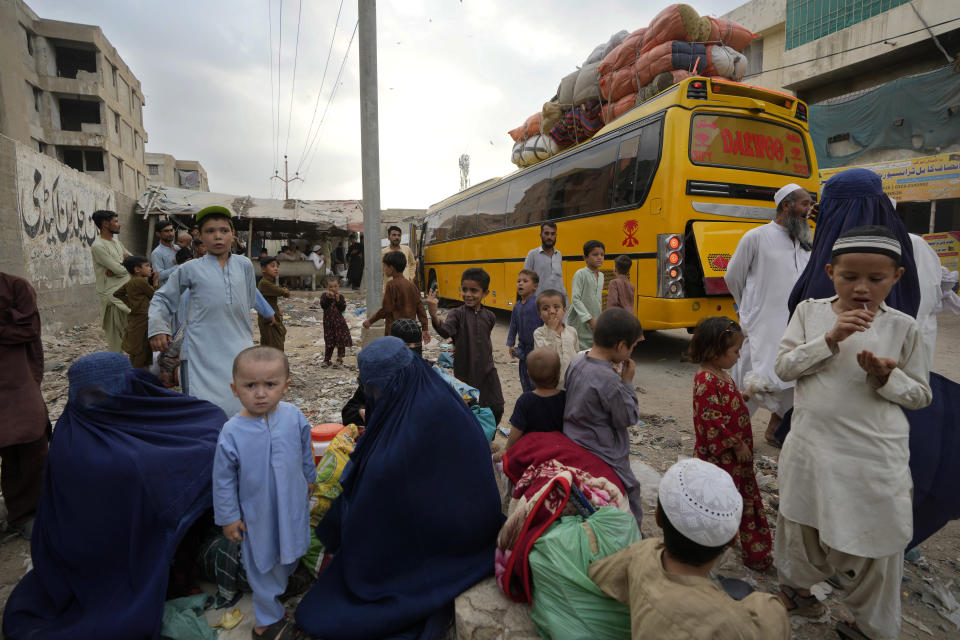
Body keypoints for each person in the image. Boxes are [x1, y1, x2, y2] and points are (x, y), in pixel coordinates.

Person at [773, 225, 931, 640]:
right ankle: (798, 591)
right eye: (849, 277)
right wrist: (829, 338)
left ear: (895, 278)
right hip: (811, 450)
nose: (862, 288)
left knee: (874, 546)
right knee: (801, 527)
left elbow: (921, 396)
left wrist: (887, 378)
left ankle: (871, 629)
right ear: (830, 272)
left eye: (876, 279)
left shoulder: (903, 328)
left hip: (872, 460)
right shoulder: (810, 313)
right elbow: (784, 368)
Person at [3, 352, 225, 640]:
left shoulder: (150, 410)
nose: (101, 400)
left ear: (130, 383)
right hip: (104, 558)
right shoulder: (76, 441)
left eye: (110, 389)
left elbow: (210, 423)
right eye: (90, 394)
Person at [295, 337, 503, 639]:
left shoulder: (418, 421)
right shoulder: (431, 391)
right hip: (473, 522)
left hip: (455, 538)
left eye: (374, 389)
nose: (372, 396)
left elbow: (384, 483)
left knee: (322, 612)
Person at [588, 458, 790, 640]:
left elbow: (600, 574)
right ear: (731, 541)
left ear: (658, 518)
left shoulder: (641, 553)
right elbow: (774, 620)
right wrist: (766, 603)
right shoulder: (729, 623)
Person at [213, 346, 314, 639]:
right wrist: (229, 517)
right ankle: (265, 622)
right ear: (235, 389)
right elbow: (222, 479)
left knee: (291, 550)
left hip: (292, 504)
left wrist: (309, 477)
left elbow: (305, 448)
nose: (260, 393)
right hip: (258, 514)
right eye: (250, 385)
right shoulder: (232, 432)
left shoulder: (294, 416)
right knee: (263, 561)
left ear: (286, 385)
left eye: (270, 384)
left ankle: (282, 587)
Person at [148, 205, 260, 416]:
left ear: (233, 235)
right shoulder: (190, 268)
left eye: (224, 231)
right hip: (202, 350)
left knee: (242, 404)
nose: (218, 236)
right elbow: (162, 298)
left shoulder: (244, 265)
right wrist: (157, 327)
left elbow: (249, 300)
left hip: (239, 346)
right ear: (199, 235)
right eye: (210, 231)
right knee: (204, 409)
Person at [724, 183, 813, 447]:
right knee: (751, 380)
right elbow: (733, 276)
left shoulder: (805, 241)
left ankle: (775, 429)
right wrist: (747, 307)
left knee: (790, 379)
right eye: (805, 204)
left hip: (794, 325)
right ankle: (729, 434)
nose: (810, 210)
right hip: (761, 324)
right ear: (787, 205)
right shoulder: (757, 237)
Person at [688, 316, 772, 571]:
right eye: (735, 351)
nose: (738, 357)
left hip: (735, 461)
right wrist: (737, 444)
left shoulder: (720, 374)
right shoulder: (705, 380)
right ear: (715, 350)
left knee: (741, 501)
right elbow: (710, 421)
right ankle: (707, 552)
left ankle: (754, 553)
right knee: (721, 505)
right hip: (722, 462)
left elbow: (723, 408)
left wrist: (743, 394)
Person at [563, 307, 644, 525]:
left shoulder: (577, 361)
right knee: (632, 488)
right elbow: (627, 416)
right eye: (633, 347)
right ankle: (634, 534)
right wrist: (627, 382)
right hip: (600, 448)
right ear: (620, 346)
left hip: (573, 437)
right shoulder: (609, 379)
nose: (632, 352)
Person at [0, 273, 49, 538]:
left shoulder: (15, 287)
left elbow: (29, 330)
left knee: (30, 442)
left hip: (16, 378)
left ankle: (28, 512)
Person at [426, 267, 505, 424]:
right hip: (465, 371)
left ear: (485, 293)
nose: (468, 294)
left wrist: (457, 342)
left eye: (474, 290)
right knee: (469, 407)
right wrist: (434, 315)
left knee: (496, 405)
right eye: (465, 289)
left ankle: (489, 436)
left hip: (487, 370)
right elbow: (446, 331)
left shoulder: (490, 317)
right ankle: (475, 438)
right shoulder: (457, 314)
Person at [341, 318, 423, 426]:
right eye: (407, 347)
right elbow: (348, 411)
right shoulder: (379, 374)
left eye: (417, 346)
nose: (412, 352)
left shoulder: (426, 377)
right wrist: (361, 412)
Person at [504, 348, 565, 451]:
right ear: (559, 375)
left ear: (529, 376)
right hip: (557, 448)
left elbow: (517, 430)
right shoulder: (565, 397)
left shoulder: (525, 400)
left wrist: (507, 449)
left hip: (531, 450)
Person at [362, 251, 429, 342]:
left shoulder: (391, 285)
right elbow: (420, 308)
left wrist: (370, 321)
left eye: (385, 266)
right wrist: (425, 328)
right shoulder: (412, 285)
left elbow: (386, 310)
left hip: (395, 331)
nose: (384, 269)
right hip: (409, 330)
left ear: (391, 268)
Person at [90, 209, 131, 352]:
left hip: (126, 294)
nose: (118, 225)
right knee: (116, 342)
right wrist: (121, 266)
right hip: (112, 298)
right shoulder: (98, 246)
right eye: (115, 221)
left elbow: (133, 261)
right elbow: (121, 269)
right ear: (105, 224)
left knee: (133, 337)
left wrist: (121, 266)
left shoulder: (116, 243)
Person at [113, 256, 158, 369]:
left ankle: (141, 375)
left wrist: (132, 305)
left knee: (140, 348)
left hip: (136, 317)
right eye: (147, 266)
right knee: (141, 349)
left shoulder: (131, 282)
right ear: (137, 269)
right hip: (143, 318)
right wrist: (156, 282)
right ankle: (137, 376)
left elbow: (117, 294)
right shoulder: (140, 281)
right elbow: (155, 296)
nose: (150, 269)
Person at [533, 289, 579, 390]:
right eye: (546, 308)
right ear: (539, 314)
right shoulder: (539, 333)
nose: (552, 312)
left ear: (564, 310)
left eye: (556, 307)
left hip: (572, 385)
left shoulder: (572, 331)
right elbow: (545, 356)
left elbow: (577, 355)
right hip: (551, 387)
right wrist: (551, 331)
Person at [506, 269, 542, 393]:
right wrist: (510, 344)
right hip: (522, 348)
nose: (520, 284)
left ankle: (537, 400)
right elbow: (513, 325)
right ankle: (528, 399)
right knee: (524, 378)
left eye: (525, 281)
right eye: (518, 281)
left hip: (537, 348)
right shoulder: (517, 306)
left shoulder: (538, 303)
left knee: (535, 379)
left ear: (535, 286)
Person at [569, 240, 605, 349]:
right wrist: (589, 319)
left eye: (602, 255)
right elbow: (575, 299)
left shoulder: (602, 276)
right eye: (595, 255)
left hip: (594, 320)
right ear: (585, 258)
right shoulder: (580, 274)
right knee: (578, 351)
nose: (599, 257)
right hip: (579, 322)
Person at [523, 222, 567, 304]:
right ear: (541, 235)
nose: (549, 237)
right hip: (538, 305)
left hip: (556, 305)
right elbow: (524, 280)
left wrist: (566, 304)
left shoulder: (559, 254)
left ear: (556, 236)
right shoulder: (532, 254)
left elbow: (559, 281)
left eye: (553, 234)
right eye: (546, 233)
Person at [257, 256, 289, 352]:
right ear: (263, 269)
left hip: (270, 318)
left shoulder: (268, 282)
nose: (276, 268)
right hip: (270, 320)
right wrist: (285, 290)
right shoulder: (265, 283)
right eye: (272, 266)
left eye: (277, 266)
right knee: (275, 349)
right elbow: (284, 292)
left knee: (269, 348)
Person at [320, 275, 352, 367]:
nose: (333, 289)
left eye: (335, 286)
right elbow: (323, 306)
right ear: (327, 287)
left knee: (340, 340)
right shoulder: (324, 296)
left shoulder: (340, 297)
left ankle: (339, 358)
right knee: (329, 341)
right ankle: (327, 359)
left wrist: (338, 301)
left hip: (339, 323)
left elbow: (342, 308)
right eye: (331, 287)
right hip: (328, 323)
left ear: (338, 286)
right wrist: (329, 298)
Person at [150, 219, 179, 286]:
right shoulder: (157, 253)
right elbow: (159, 275)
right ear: (158, 234)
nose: (170, 234)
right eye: (166, 231)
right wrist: (179, 266)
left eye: (171, 230)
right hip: (169, 290)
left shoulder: (178, 248)